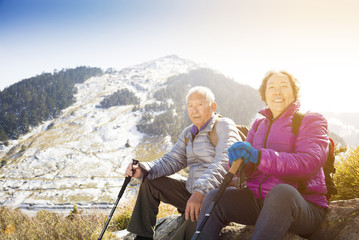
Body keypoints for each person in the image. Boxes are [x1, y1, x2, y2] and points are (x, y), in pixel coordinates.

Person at [197, 71, 329, 240]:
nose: (277, 91)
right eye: (271, 87)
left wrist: (259, 156)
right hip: (259, 202)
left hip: (303, 206)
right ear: (264, 94)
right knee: (215, 198)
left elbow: (308, 163)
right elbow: (249, 170)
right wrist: (239, 162)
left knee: (281, 192)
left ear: (294, 92)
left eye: (284, 86)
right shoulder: (259, 125)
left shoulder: (310, 120)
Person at [125, 86, 241, 240]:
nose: (194, 110)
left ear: (213, 106)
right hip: (193, 193)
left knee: (192, 224)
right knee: (150, 182)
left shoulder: (224, 125)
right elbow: (172, 160)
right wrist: (144, 168)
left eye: (199, 105)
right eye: (190, 106)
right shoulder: (188, 133)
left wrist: (201, 192)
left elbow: (224, 161)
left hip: (218, 197)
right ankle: (142, 237)